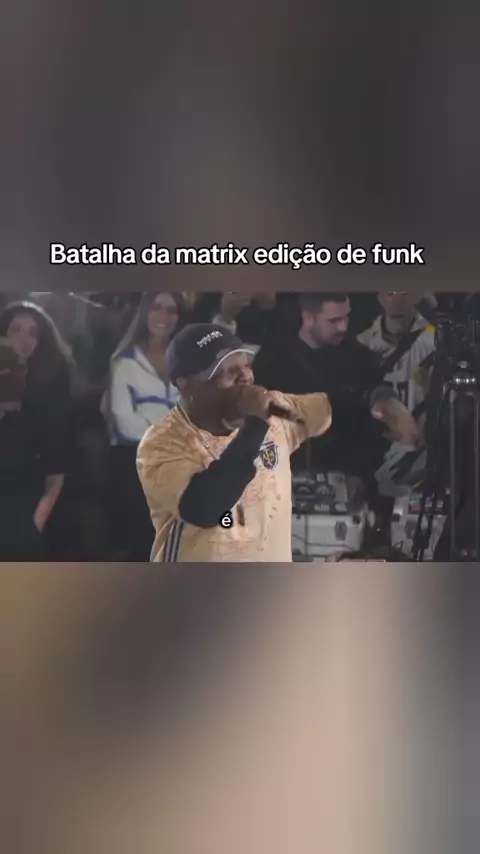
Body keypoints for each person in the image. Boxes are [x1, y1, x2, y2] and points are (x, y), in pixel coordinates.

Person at [136, 323, 333, 562]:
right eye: (228, 371)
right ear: (186, 383)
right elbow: (205, 508)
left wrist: (373, 398)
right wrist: (256, 423)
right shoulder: (162, 443)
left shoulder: (274, 407)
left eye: (246, 365)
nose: (245, 377)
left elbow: (335, 410)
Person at [254, 293, 419, 509]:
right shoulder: (273, 361)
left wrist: (359, 473)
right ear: (308, 318)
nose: (343, 327)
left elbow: (372, 430)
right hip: (285, 480)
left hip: (347, 481)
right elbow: (259, 425)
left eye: (346, 317)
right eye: (333, 320)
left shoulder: (360, 358)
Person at [104, 292, 184, 560]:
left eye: (171, 310)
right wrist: (169, 440)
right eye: (157, 308)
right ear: (145, 313)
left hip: (181, 461)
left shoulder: (188, 361)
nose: (164, 316)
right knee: (142, 545)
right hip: (134, 463)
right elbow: (125, 423)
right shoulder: (123, 363)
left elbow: (197, 410)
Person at [0, 301, 77, 558]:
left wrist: (34, 526)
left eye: (33, 333)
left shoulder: (45, 402)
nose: (24, 339)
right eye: (16, 330)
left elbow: (55, 475)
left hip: (28, 514)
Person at [358, 291, 436, 496]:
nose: (396, 294)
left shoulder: (436, 343)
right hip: (371, 459)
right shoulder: (362, 343)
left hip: (419, 463)